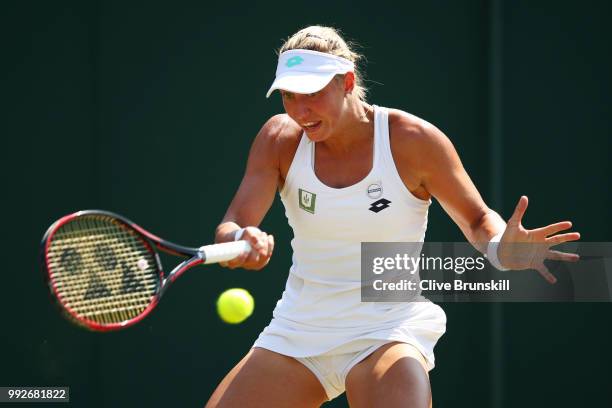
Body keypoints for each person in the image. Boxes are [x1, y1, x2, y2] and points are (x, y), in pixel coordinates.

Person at [205, 26, 580, 408]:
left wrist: (502, 248)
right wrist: (239, 240)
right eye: (289, 95)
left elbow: (478, 218)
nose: (300, 110)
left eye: (313, 93)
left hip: (386, 329)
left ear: (347, 82)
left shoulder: (412, 140)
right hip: (298, 329)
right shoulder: (277, 139)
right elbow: (234, 222)